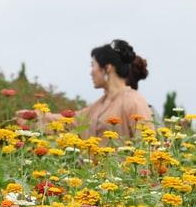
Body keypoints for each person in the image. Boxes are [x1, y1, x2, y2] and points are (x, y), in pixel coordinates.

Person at [18, 39, 152, 139]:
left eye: (93, 65)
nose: (91, 72)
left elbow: (148, 147)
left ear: (107, 68)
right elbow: (70, 122)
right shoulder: (98, 105)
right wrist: (34, 117)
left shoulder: (134, 102)